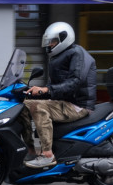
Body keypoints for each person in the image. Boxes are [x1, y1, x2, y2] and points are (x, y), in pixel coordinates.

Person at [22, 22, 97, 168]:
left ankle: (48, 155)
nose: (49, 45)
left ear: (64, 39)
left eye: (53, 41)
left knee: (38, 107)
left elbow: (75, 82)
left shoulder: (77, 54)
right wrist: (32, 91)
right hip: (63, 102)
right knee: (23, 106)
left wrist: (45, 91)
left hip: (78, 105)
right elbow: (54, 87)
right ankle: (30, 150)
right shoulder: (57, 58)